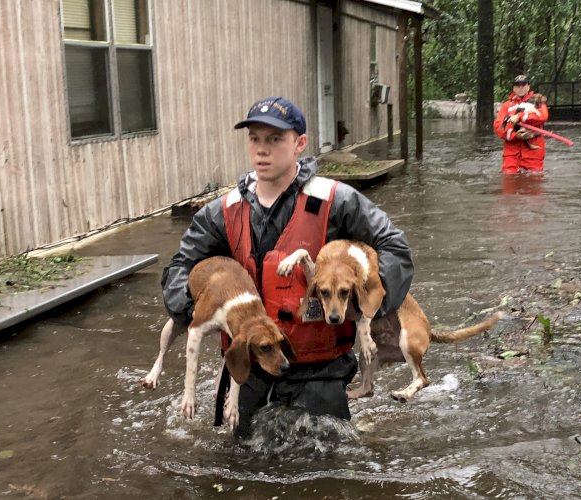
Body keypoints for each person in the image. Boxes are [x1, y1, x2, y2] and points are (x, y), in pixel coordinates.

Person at [161, 96, 413, 438]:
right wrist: (192, 309)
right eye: (255, 139)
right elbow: (181, 266)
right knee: (243, 470)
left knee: (327, 471)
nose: (262, 150)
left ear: (300, 144)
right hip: (248, 366)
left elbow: (395, 246)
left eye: (275, 139)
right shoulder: (221, 212)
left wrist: (369, 302)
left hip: (320, 371)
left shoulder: (337, 200)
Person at [494, 74, 550, 175]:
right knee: (508, 181)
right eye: (517, 85)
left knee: (533, 183)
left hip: (533, 153)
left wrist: (519, 116)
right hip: (511, 154)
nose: (521, 88)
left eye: (523, 85)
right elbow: (498, 127)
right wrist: (516, 135)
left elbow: (542, 116)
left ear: (528, 86)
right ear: (513, 88)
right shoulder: (507, 105)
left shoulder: (537, 102)